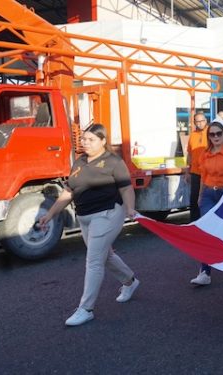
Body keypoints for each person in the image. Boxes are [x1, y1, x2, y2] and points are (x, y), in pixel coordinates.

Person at [38, 124, 140, 326]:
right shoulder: (79, 161)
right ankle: (130, 281)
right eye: (84, 139)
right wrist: (49, 215)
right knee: (105, 255)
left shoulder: (114, 162)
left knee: (93, 260)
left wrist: (130, 208)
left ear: (103, 141)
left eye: (91, 139)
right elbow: (68, 192)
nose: (85, 142)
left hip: (108, 214)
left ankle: (86, 309)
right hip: (84, 216)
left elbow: (127, 189)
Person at [190, 122, 223, 285]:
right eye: (212, 134)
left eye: (218, 134)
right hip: (208, 194)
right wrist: (200, 196)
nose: (215, 137)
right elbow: (202, 176)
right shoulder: (205, 154)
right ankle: (205, 272)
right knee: (206, 232)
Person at [186, 113, 208, 222]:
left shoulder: (211, 133)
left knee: (206, 199)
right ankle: (194, 223)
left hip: (208, 173)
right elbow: (189, 154)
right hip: (195, 172)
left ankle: (206, 223)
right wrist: (187, 171)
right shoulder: (192, 135)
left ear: (206, 120)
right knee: (194, 199)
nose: (200, 123)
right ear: (194, 123)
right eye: (197, 121)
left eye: (202, 121)